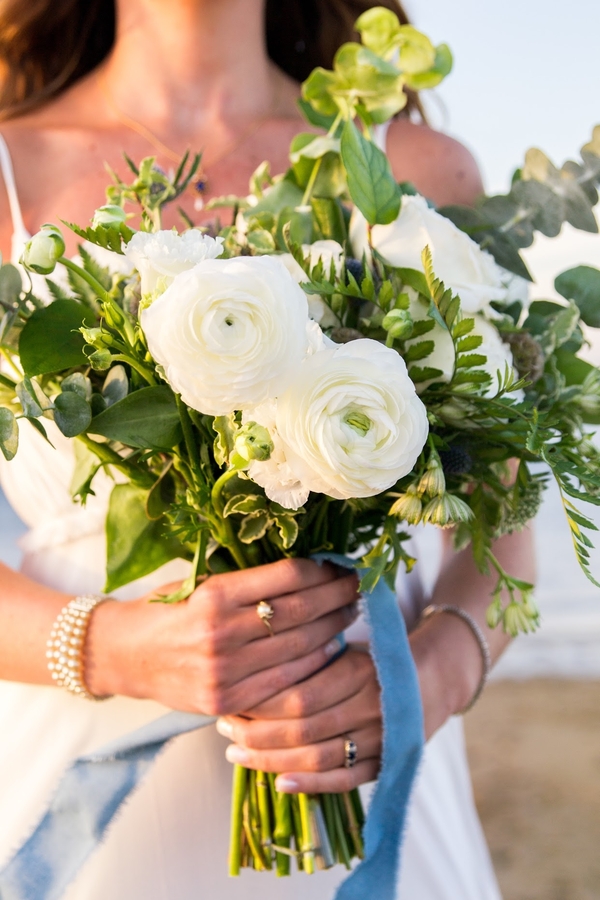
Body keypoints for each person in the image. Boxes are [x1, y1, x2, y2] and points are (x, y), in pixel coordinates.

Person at [0, 1, 535, 897]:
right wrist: (116, 648)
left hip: (367, 773)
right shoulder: (10, 169)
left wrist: (431, 680)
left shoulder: (417, 170)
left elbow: (503, 527)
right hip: (93, 802)